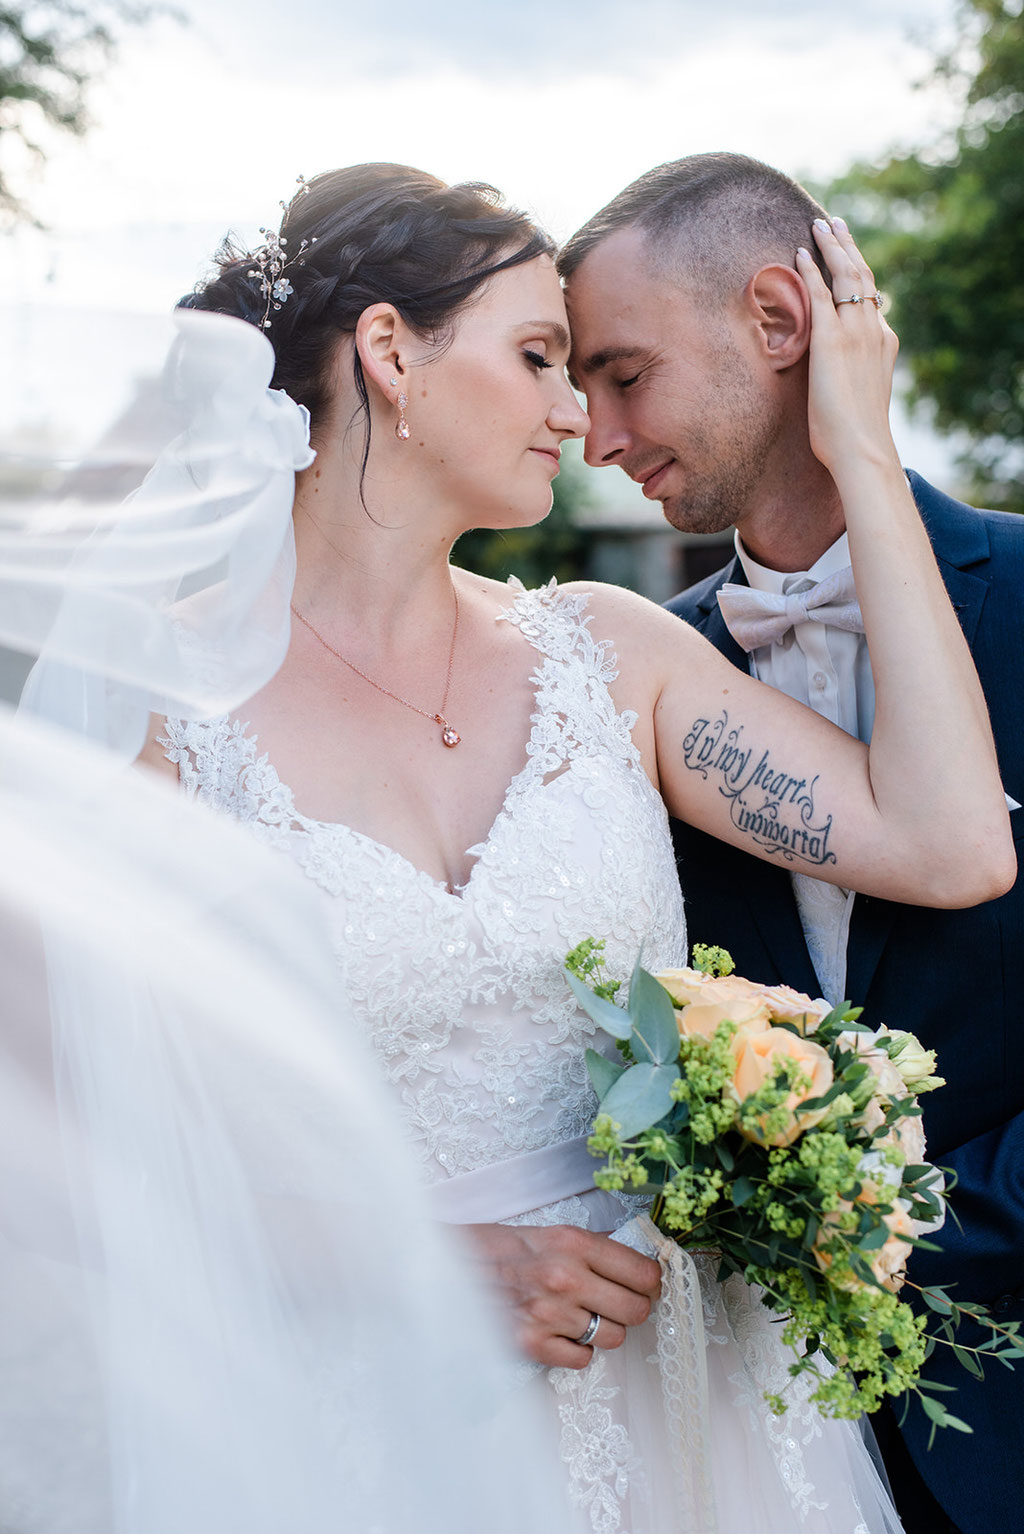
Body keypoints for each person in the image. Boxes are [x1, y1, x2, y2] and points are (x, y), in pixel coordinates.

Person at [123, 162, 1014, 1533]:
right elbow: (103, 1149)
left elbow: (952, 842)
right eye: (541, 356)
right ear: (388, 354)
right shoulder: (168, 730)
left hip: (696, 1413)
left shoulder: (609, 653)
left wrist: (862, 446)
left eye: (594, 368)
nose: (575, 417)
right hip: (383, 1423)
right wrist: (424, 1264)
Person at [557, 151, 1024, 1534]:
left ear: (779, 320)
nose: (593, 433)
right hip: (752, 1445)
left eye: (620, 373)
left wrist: (884, 1220)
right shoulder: (644, 683)